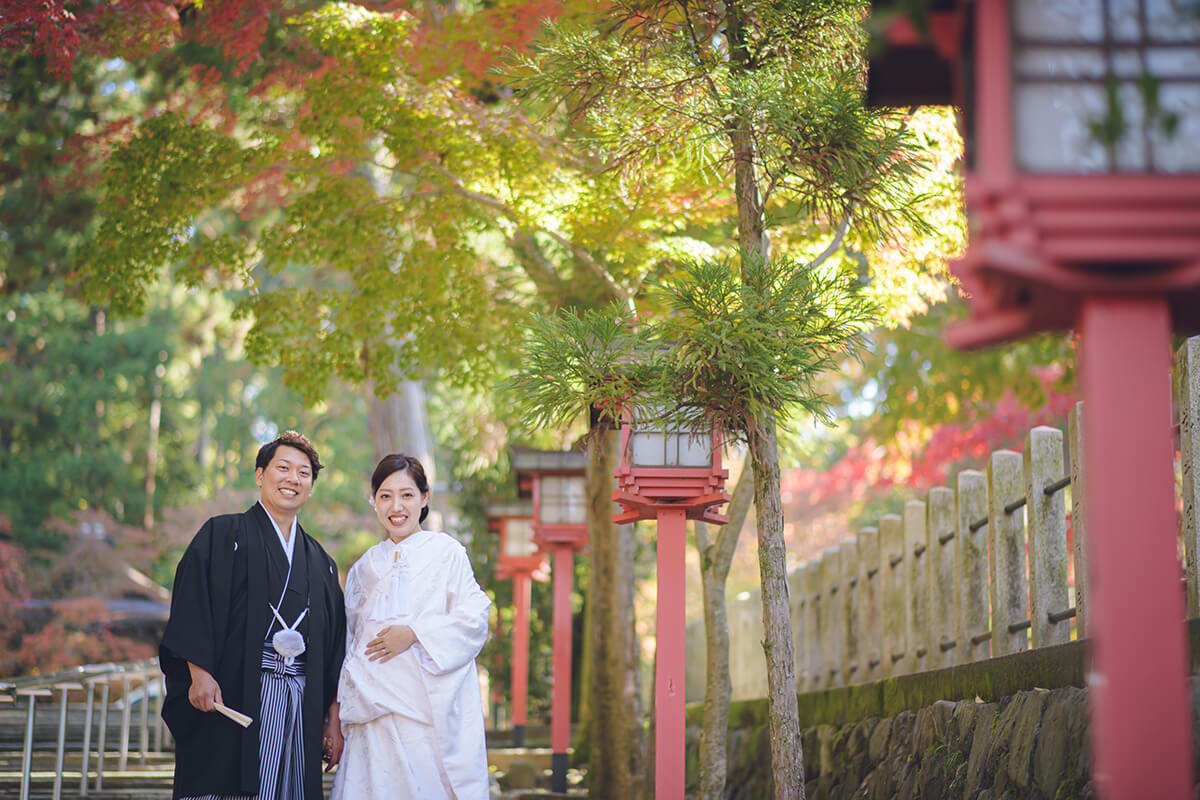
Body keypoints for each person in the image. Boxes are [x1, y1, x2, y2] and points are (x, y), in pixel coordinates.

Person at [159, 430, 346, 800]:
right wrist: (199, 673)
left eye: (304, 472)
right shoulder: (222, 533)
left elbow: (337, 645)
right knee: (228, 784)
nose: (293, 478)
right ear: (260, 475)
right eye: (283, 468)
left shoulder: (320, 562)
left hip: (299, 700)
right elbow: (192, 604)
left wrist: (333, 720)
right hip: (232, 693)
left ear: (311, 486)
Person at [327, 453, 491, 800]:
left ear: (424, 498)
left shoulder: (447, 553)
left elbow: (474, 616)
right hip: (370, 710)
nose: (396, 506)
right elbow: (349, 643)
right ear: (374, 501)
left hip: (424, 712)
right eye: (385, 496)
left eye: (407, 495)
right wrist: (337, 714)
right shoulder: (364, 567)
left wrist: (415, 632)